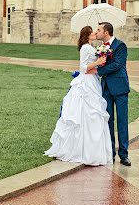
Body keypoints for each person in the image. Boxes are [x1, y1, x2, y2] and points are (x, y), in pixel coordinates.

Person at [44, 26, 113, 166]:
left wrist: (101, 59)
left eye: (96, 31)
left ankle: (92, 149)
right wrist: (98, 62)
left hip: (93, 81)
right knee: (86, 113)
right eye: (92, 31)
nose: (94, 33)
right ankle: (81, 149)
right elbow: (82, 67)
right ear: (87, 35)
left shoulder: (91, 47)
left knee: (94, 113)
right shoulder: (85, 48)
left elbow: (92, 65)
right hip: (86, 83)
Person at [95, 22, 131, 166]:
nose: (96, 32)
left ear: (106, 32)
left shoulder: (120, 45)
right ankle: (110, 152)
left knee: (122, 122)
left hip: (120, 87)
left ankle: (124, 154)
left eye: (99, 30)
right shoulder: (100, 48)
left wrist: (99, 71)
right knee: (108, 121)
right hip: (106, 89)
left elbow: (118, 64)